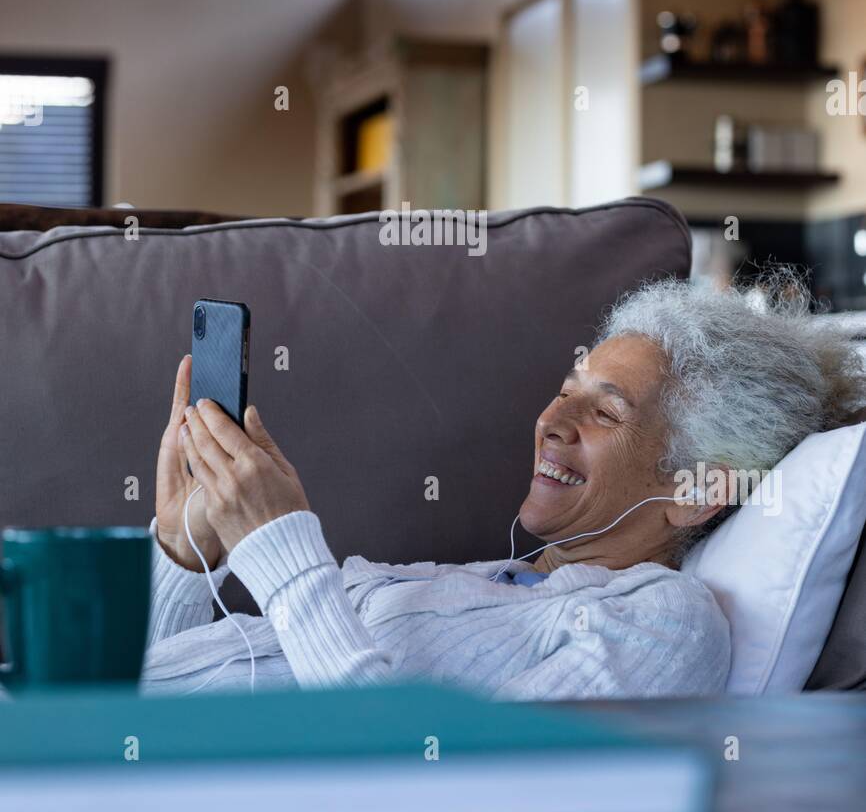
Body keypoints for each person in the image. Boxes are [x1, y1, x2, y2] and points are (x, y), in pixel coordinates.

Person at [142, 275, 862, 701]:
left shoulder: (663, 621)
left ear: (697, 490)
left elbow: (453, 790)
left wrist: (284, 552)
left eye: (605, 411)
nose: (552, 420)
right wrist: (184, 552)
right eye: (563, 392)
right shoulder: (494, 584)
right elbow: (129, 694)